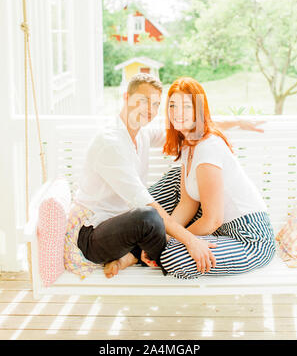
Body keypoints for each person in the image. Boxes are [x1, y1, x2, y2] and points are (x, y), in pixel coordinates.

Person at [63, 73, 266, 279]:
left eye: (156, 104)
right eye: (143, 101)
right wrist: (189, 240)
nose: (150, 109)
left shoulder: (141, 133)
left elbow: (188, 124)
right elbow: (146, 204)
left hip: (123, 224)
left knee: (172, 185)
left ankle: (138, 254)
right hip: (94, 234)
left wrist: (238, 121)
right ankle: (143, 252)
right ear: (126, 97)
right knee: (148, 215)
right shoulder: (110, 143)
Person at [148, 76, 275, 279]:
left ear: (198, 110)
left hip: (251, 238)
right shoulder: (188, 147)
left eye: (186, 106)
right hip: (221, 232)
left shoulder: (208, 146)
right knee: (169, 190)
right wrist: (162, 236)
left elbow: (212, 220)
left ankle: (147, 245)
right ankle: (135, 234)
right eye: (172, 105)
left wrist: (170, 242)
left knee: (172, 256)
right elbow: (186, 205)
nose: (177, 113)